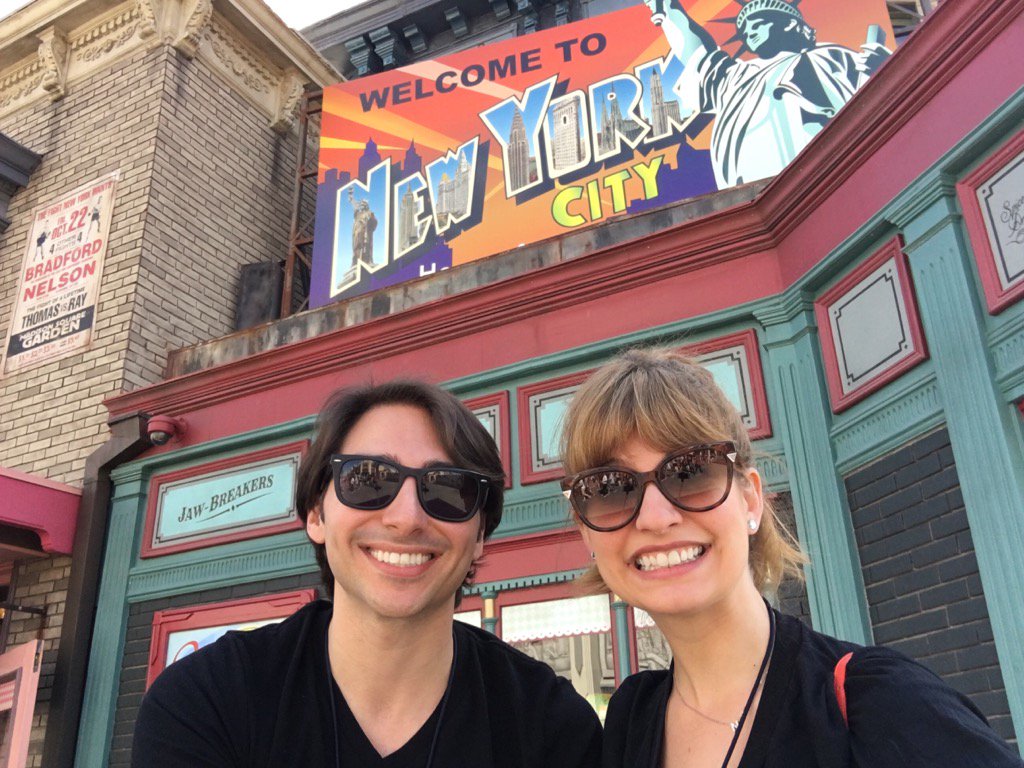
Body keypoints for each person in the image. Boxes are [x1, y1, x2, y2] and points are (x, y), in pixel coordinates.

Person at [559, 348, 1023, 768]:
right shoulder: (630, 721)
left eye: (690, 471)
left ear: (752, 501)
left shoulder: (882, 704)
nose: (656, 517)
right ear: (587, 533)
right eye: (608, 489)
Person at [134, 380, 601, 767]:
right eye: (368, 479)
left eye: (449, 490)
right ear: (316, 514)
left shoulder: (549, 725)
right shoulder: (208, 700)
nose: (407, 517)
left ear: (480, 534)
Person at [645, 0, 890, 188]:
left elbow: (878, 109)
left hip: (831, 179)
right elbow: (696, 50)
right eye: (744, 29)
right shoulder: (736, 77)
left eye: (758, 24)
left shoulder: (830, 58)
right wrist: (668, 9)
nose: (749, 33)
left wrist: (884, 67)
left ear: (790, 24)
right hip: (756, 199)